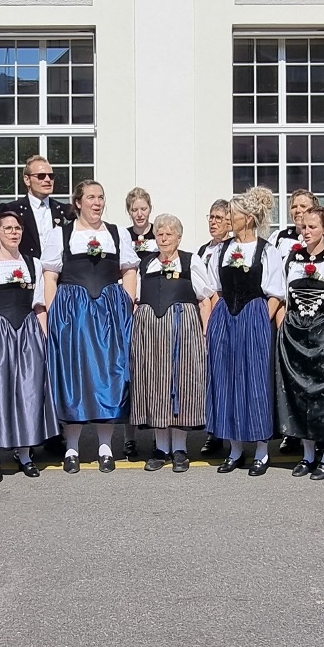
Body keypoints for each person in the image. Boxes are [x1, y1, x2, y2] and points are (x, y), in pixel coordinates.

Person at [42, 179, 139, 473]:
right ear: (78, 202)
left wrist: (127, 303)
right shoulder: (61, 234)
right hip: (74, 313)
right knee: (75, 376)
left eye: (101, 197)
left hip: (109, 312)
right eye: (91, 197)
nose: (97, 203)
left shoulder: (116, 233)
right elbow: (50, 277)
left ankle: (105, 447)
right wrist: (53, 315)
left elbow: (129, 269)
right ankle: (71, 447)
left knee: (109, 375)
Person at [0, 210, 58, 481]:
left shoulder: (33, 263)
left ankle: (24, 453)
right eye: (7, 228)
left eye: (17, 228)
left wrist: (44, 338)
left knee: (28, 390)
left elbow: (40, 305)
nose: (13, 232)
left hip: (27, 330)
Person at [206, 186, 285, 477]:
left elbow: (276, 294)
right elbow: (214, 287)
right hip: (226, 316)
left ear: (248, 219)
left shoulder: (267, 251)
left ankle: (261, 451)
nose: (228, 218)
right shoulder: (223, 249)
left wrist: (260, 321)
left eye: (233, 214)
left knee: (255, 382)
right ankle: (235, 449)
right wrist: (217, 320)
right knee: (226, 379)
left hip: (253, 315)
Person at [130, 214, 215, 473]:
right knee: (155, 383)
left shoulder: (191, 261)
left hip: (183, 329)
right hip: (151, 333)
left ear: (179, 236)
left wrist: (204, 333)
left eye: (169, 233)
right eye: (159, 233)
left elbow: (205, 299)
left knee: (181, 382)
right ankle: (160, 448)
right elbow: (137, 299)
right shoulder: (146, 264)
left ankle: (179, 449)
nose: (163, 238)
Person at [274, 207, 324, 481]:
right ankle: (306, 454)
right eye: (303, 227)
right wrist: (284, 326)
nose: (306, 232)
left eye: (313, 227)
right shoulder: (293, 258)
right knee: (298, 392)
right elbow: (282, 294)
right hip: (295, 333)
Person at [122, 186, 157, 460]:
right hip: (130, 307)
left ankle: (159, 433)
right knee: (131, 370)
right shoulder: (123, 236)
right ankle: (129, 436)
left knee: (155, 370)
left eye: (143, 208)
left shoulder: (162, 234)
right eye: (134, 209)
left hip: (154, 305)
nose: (139, 214)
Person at [198, 199, 231, 458]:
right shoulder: (203, 250)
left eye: (219, 218)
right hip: (205, 312)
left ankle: (227, 430)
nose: (213, 222)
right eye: (211, 217)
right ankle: (214, 431)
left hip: (223, 310)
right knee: (212, 374)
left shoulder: (232, 249)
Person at [0, 155, 74, 259]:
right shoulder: (11, 210)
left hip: (60, 272)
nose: (48, 180)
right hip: (24, 270)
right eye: (41, 176)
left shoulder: (66, 211)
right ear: (27, 180)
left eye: (51, 176)